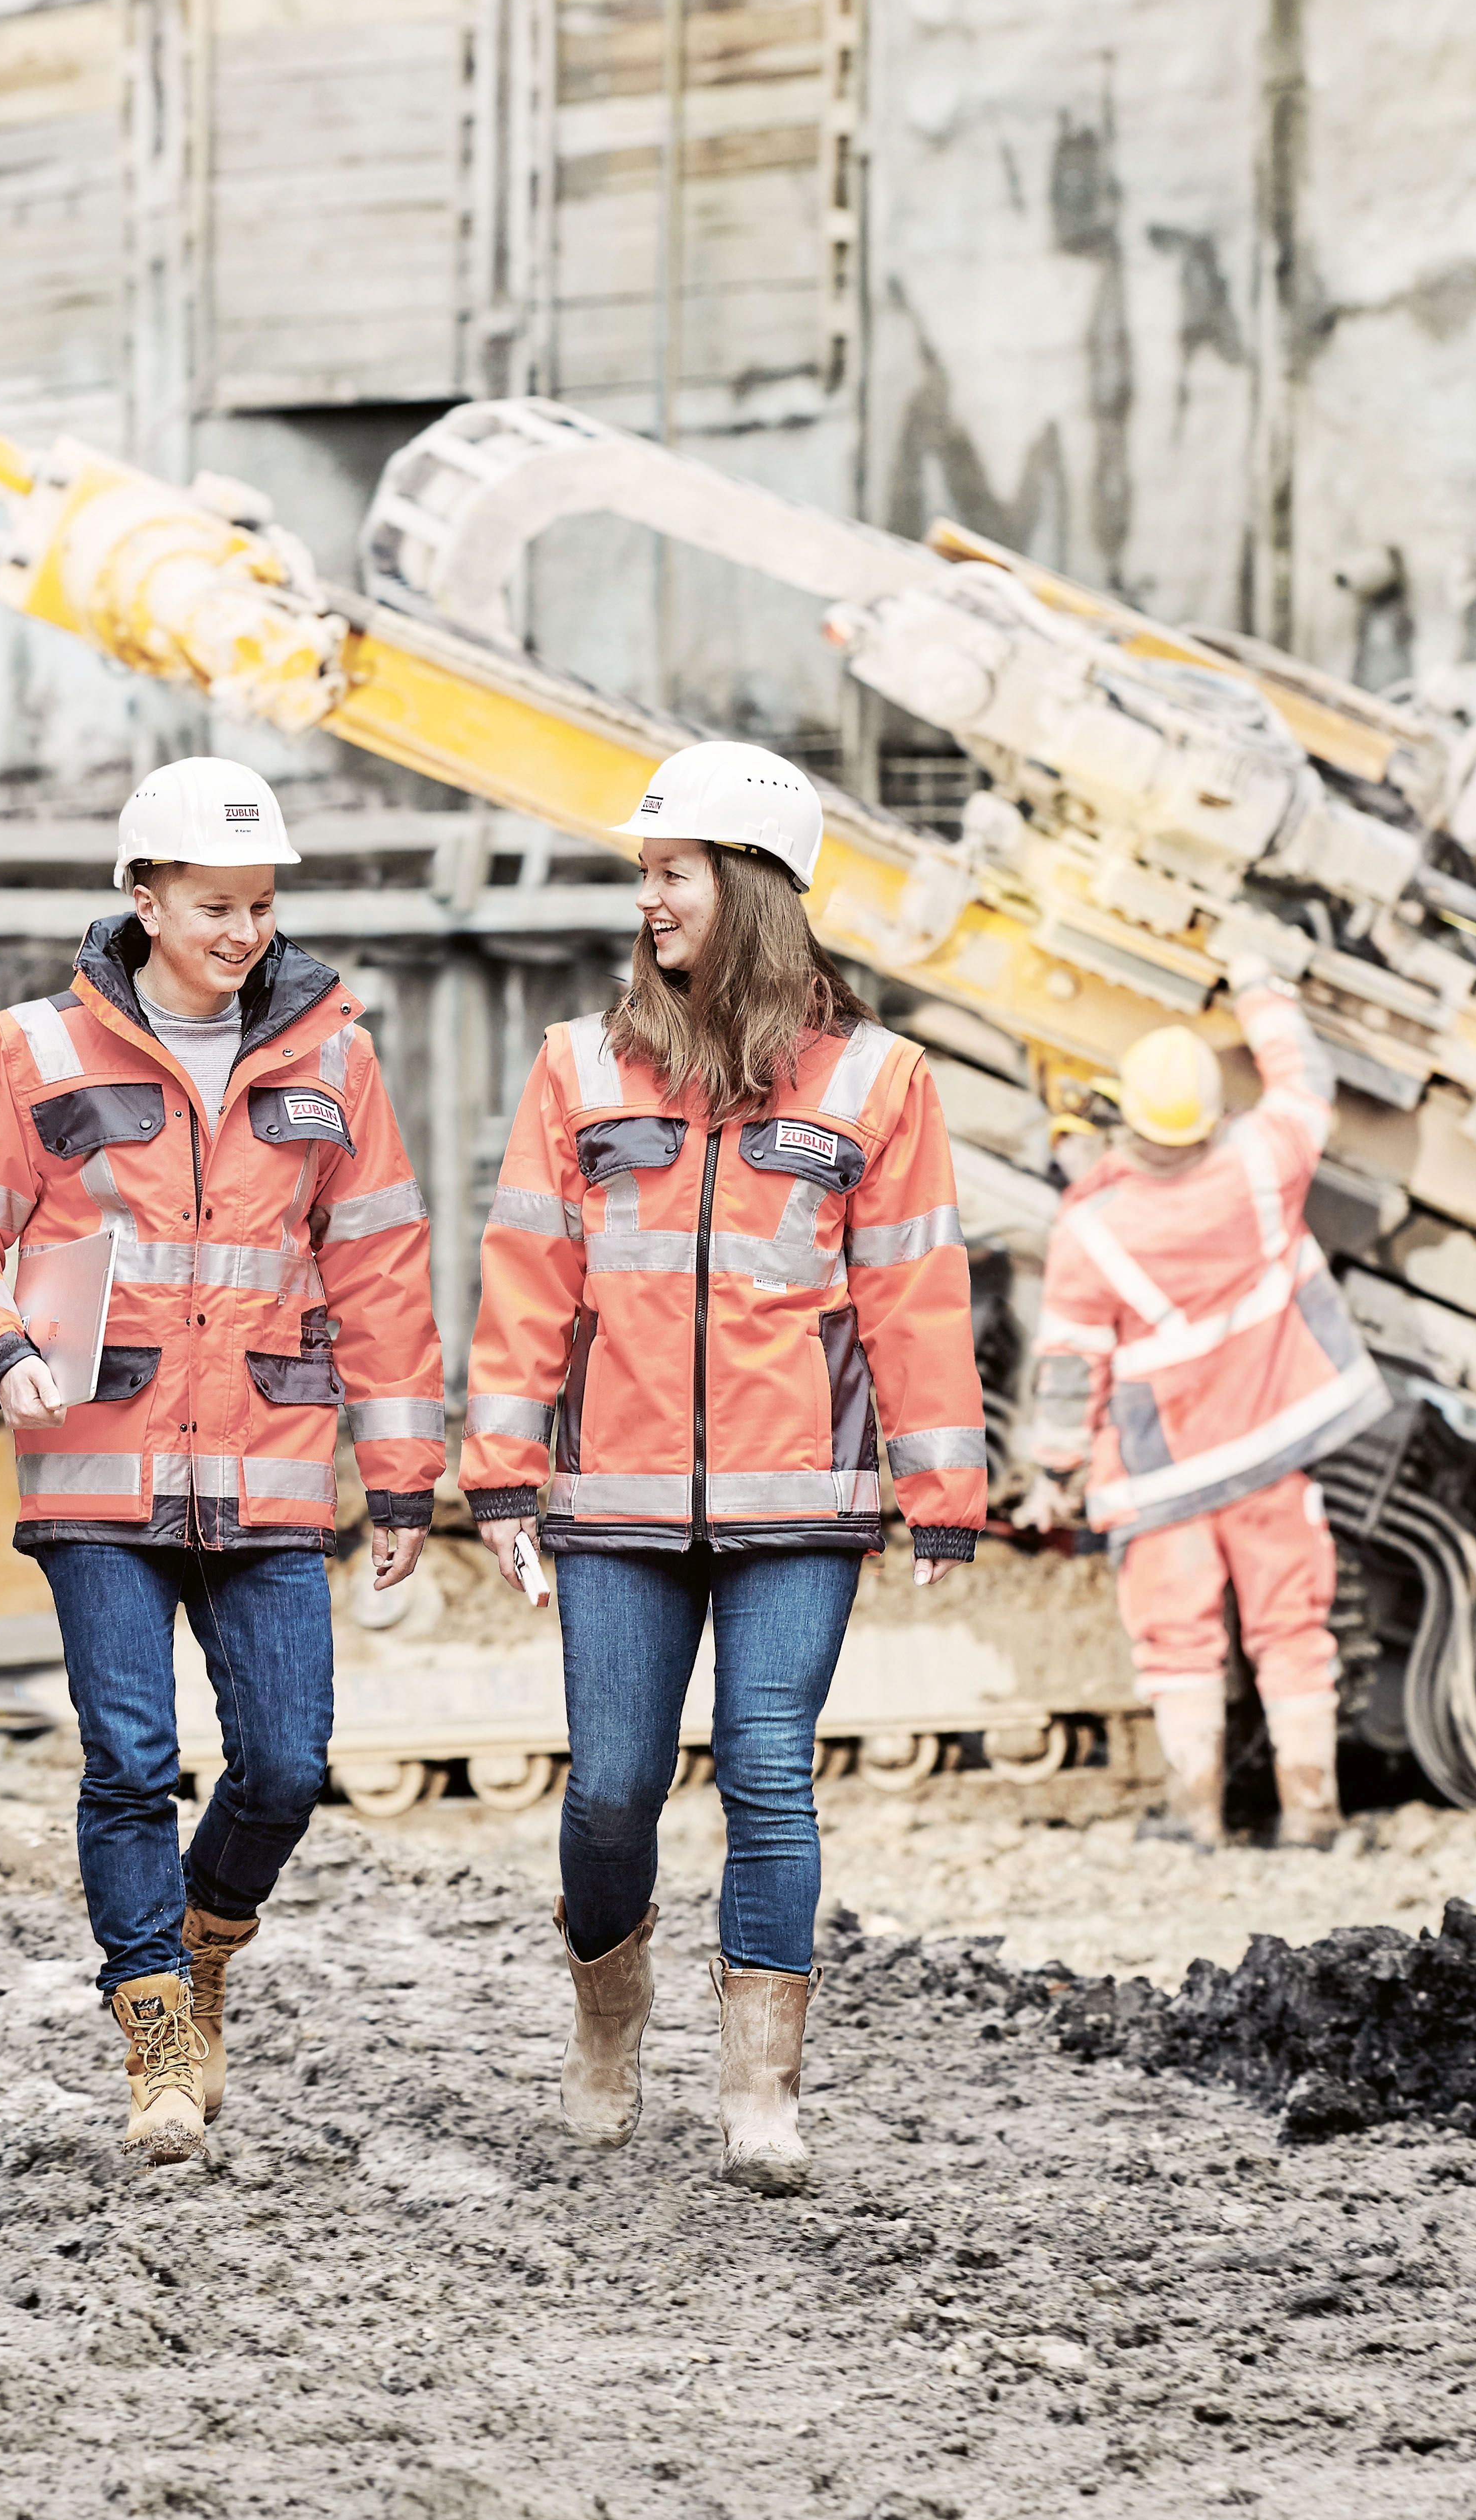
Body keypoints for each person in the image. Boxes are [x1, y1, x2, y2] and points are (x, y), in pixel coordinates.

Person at [0, 756, 448, 2163]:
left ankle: (203, 1948)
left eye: (260, 905)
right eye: (213, 903)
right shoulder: (31, 1050)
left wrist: (401, 1474)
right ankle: (151, 2034)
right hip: (97, 1465)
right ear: (140, 895)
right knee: (131, 1757)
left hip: (267, 1465)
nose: (242, 930)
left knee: (284, 1762)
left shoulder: (333, 1056)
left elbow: (380, 1267)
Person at [462, 739, 988, 2192]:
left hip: (797, 1504)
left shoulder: (878, 1079)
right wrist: (500, 1472)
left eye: (670, 872)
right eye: (642, 873)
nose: (647, 900)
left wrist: (942, 1491)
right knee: (611, 1789)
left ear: (749, 885)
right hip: (616, 1503)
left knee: (768, 1772)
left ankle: (762, 2096)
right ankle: (606, 2016)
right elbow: (527, 1281)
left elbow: (914, 1293)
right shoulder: (579, 1065)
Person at [1023, 959, 1392, 1850]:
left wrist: (1056, 1474)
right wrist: (1262, 987)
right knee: (1294, 1631)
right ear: (1211, 1112)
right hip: (1271, 1453)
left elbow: (1071, 1369)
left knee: (1178, 1641)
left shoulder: (1091, 1228)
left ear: (1128, 1117)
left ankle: (1197, 1819)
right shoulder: (1264, 1163)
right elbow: (1308, 1081)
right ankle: (1312, 1816)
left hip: (1166, 1475)